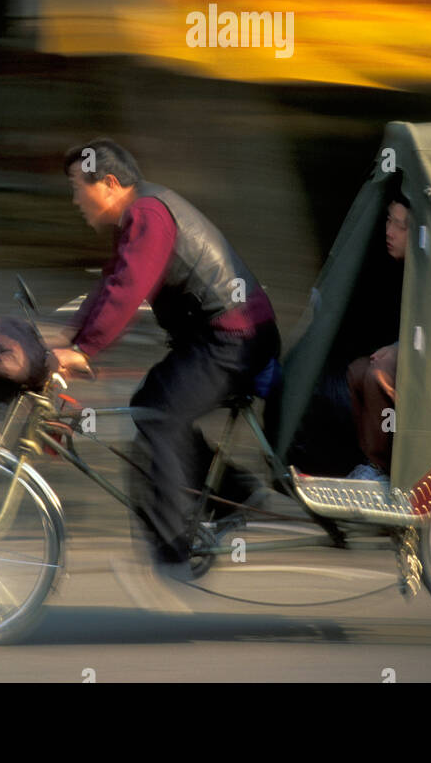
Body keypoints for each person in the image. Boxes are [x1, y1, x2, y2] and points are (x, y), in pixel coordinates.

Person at [51, 138, 281, 570]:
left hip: (235, 340)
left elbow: (128, 290)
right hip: (217, 340)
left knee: (161, 413)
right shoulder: (137, 216)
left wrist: (85, 349)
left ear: (111, 183)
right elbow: (110, 284)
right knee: (149, 405)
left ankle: (175, 542)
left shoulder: (148, 215)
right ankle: (234, 493)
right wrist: (69, 343)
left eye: (78, 187)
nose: (75, 199)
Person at [345, 190, 409, 485]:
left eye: (401, 225)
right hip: (412, 351)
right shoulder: (401, 269)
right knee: (357, 371)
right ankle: (371, 461)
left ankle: (381, 470)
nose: (390, 232)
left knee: (378, 374)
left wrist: (398, 349)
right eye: (388, 221)